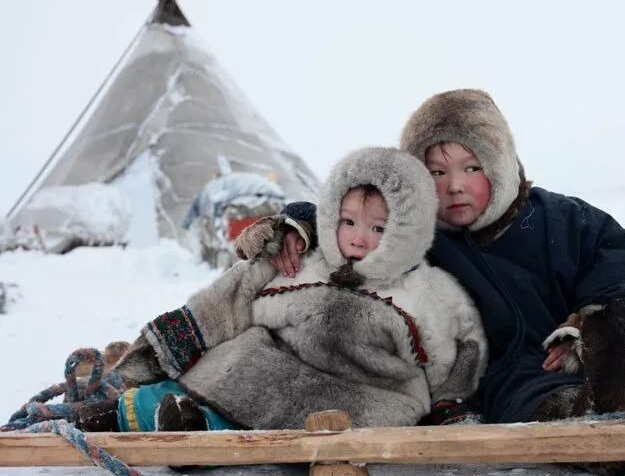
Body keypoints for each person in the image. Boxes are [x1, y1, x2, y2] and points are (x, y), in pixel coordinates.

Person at [253, 89, 625, 425]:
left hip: (569, 356)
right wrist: (296, 223)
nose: (455, 185)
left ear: (499, 163)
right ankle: (595, 421)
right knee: (536, 401)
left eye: (471, 166)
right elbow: (350, 214)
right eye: (437, 171)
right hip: (493, 381)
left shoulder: (558, 219)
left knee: (621, 343)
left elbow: (615, 259)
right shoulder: (411, 233)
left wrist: (589, 322)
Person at [76, 147, 487, 432]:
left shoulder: (425, 291)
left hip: (361, 396)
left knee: (239, 411)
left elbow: (458, 353)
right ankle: (114, 413)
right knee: (204, 374)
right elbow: (228, 301)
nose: (359, 238)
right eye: (348, 222)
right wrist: (145, 363)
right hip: (263, 368)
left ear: (406, 230)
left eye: (378, 229)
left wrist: (451, 407)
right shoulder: (303, 256)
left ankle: (197, 431)